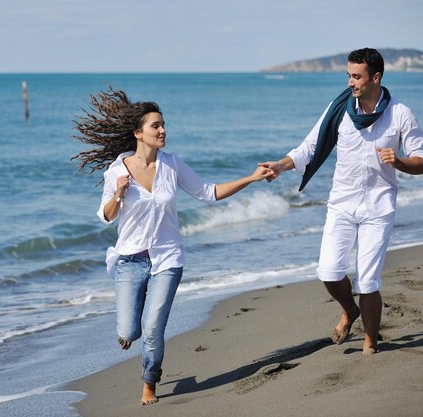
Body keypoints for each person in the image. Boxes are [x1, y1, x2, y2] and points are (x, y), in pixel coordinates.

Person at [72, 87, 273, 405]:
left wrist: (250, 178)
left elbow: (209, 192)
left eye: (163, 124)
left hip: (168, 257)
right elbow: (107, 217)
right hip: (130, 260)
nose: (163, 130)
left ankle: (149, 382)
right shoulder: (117, 171)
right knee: (130, 330)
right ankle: (129, 333)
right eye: (156, 126)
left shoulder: (172, 165)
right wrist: (118, 194)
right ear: (138, 132)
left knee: (153, 326)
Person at [260, 48, 423, 354]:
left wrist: (400, 162)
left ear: (375, 77)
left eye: (357, 76)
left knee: (367, 280)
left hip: (379, 208)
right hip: (341, 204)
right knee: (328, 272)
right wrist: (280, 166)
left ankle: (370, 341)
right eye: (349, 76)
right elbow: (309, 147)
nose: (351, 83)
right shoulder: (339, 109)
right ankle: (350, 311)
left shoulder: (400, 114)